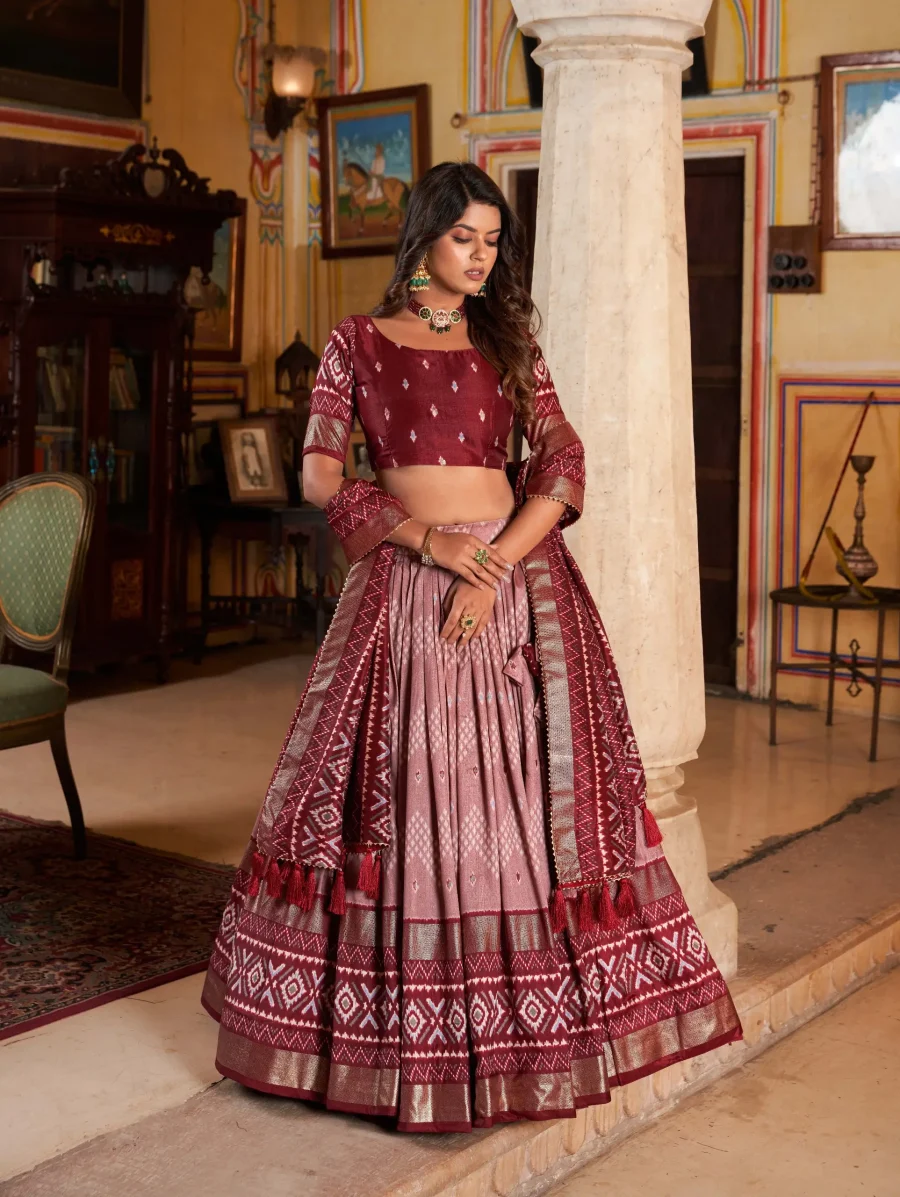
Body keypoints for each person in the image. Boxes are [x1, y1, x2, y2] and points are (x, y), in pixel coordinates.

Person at [202, 161, 742, 1132]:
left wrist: (494, 565)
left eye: (495, 242)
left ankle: (522, 1040)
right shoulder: (356, 343)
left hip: (518, 590)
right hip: (409, 588)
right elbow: (322, 475)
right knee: (410, 795)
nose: (483, 258)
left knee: (520, 804)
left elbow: (563, 463)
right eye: (466, 239)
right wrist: (433, 545)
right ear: (422, 239)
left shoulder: (511, 346)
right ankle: (410, 1043)